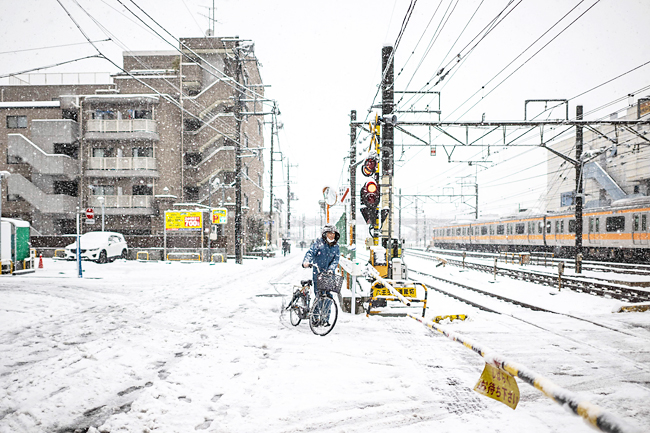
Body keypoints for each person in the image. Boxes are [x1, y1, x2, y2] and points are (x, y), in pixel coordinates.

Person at [302, 225, 340, 325]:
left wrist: (331, 269)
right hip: (318, 273)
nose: (332, 235)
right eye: (329, 233)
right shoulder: (318, 244)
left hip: (329, 275)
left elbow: (336, 260)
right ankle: (315, 319)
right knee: (318, 295)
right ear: (324, 234)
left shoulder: (336, 247)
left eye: (333, 233)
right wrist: (306, 262)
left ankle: (325, 319)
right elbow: (310, 253)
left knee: (328, 296)